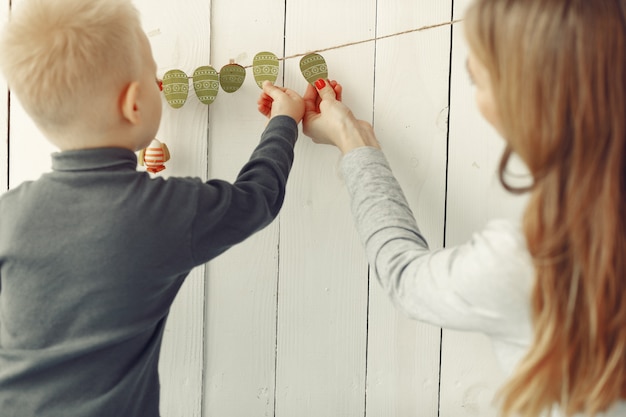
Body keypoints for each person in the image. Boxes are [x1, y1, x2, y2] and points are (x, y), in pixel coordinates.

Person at [298, 0, 626, 416]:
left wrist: (353, 140)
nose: (472, 86)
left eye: (478, 79)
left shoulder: (537, 261)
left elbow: (403, 274)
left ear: (528, 98)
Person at [0, 0, 304, 416]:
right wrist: (284, 120)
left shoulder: (8, 215)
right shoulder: (170, 210)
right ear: (134, 104)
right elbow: (259, 198)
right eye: (153, 76)